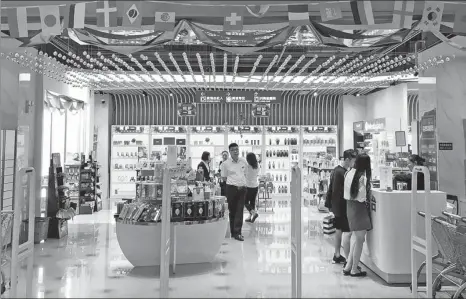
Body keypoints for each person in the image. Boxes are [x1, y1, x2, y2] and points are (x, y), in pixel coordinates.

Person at [343, 154, 372, 277]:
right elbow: (361, 197)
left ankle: (348, 266)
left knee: (356, 238)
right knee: (360, 240)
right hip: (359, 209)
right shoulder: (362, 178)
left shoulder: (348, 173)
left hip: (350, 207)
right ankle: (354, 269)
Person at [327, 149, 357, 265]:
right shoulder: (342, 172)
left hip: (337, 206)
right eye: (353, 161)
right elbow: (339, 191)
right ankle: (347, 261)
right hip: (341, 206)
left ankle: (337, 255)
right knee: (346, 232)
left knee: (339, 230)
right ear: (347, 160)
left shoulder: (337, 170)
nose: (354, 164)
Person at [220, 143, 248, 241]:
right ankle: (233, 231)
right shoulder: (225, 164)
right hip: (231, 188)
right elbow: (223, 177)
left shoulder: (243, 161)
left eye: (237, 149)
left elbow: (246, 173)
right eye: (233, 150)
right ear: (230, 152)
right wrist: (233, 182)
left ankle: (238, 233)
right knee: (232, 210)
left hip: (242, 188)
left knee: (240, 210)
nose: (236, 151)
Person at [245, 152, 259, 223]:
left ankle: (254, 213)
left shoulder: (247, 167)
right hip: (255, 186)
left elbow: (243, 175)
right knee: (252, 202)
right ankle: (250, 217)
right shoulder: (257, 166)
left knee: (245, 201)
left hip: (248, 187)